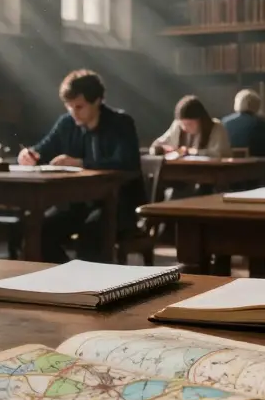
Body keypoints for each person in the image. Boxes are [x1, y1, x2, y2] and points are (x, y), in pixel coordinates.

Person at [17, 70, 141, 263]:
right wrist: (30, 155)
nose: (73, 112)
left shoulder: (121, 123)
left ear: (98, 101)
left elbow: (126, 162)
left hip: (117, 202)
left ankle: (90, 285)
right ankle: (64, 278)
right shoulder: (67, 123)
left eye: (79, 106)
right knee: (39, 229)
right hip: (78, 202)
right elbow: (43, 148)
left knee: (93, 231)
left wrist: (80, 163)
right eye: (69, 106)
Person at [151, 95, 231, 158]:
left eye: (190, 124)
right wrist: (160, 149)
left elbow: (219, 153)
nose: (185, 128)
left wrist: (192, 152)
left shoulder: (216, 128)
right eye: (183, 124)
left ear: (201, 120)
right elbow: (157, 144)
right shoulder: (177, 126)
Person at [221, 89, 265, 157]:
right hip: (253, 165)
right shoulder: (259, 124)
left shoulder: (224, 122)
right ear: (257, 105)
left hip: (228, 164)